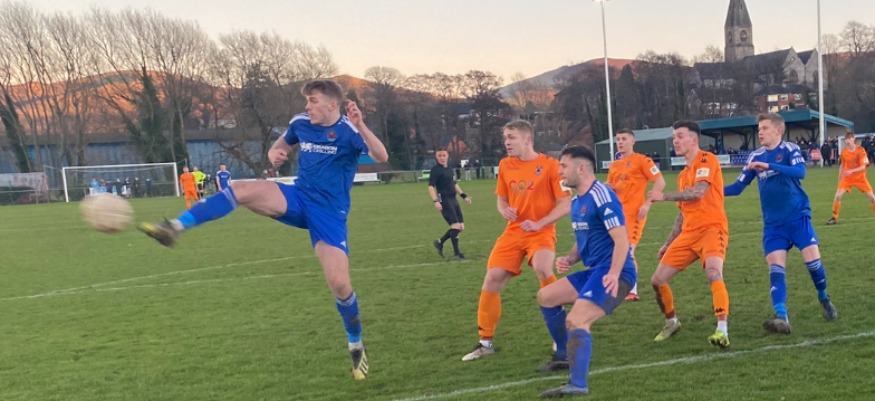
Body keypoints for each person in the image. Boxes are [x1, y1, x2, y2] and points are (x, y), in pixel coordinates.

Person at [138, 79, 388, 380]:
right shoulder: (301, 122)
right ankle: (174, 227)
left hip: (329, 214)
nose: (307, 106)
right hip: (298, 197)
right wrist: (274, 153)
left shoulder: (349, 131)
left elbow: (381, 156)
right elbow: (281, 144)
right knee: (240, 189)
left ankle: (356, 343)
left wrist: (361, 126)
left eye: (312, 100)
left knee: (340, 284)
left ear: (331, 105)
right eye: (307, 101)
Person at [461, 120, 571, 361]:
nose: (507, 143)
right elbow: (501, 199)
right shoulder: (505, 165)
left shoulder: (551, 166)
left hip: (541, 231)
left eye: (511, 138)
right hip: (514, 232)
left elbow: (566, 204)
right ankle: (485, 343)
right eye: (505, 138)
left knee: (543, 268)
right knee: (492, 277)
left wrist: (540, 223)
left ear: (527, 139)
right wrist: (505, 210)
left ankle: (562, 334)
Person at [537, 146, 636, 398]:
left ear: (581, 168)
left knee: (577, 320)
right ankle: (564, 354)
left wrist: (614, 274)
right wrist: (571, 258)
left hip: (616, 273)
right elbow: (586, 237)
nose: (559, 172)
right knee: (546, 296)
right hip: (595, 270)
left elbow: (622, 240)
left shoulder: (602, 196)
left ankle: (578, 385)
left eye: (563, 166)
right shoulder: (577, 200)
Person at [724, 113, 838, 334]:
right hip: (773, 225)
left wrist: (769, 166)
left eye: (765, 128)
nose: (760, 132)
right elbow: (737, 188)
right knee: (776, 269)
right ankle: (781, 316)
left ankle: (824, 298)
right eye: (759, 128)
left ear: (779, 130)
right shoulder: (755, 156)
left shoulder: (789, 149)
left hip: (797, 217)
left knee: (813, 265)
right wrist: (709, 191)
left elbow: (801, 172)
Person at [647, 120, 731, 349]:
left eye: (680, 136)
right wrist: (668, 243)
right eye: (674, 137)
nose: (675, 141)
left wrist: (663, 196)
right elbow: (683, 214)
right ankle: (671, 322)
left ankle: (722, 330)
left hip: (712, 229)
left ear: (694, 140)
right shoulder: (683, 174)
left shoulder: (707, 159)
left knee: (713, 273)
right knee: (657, 280)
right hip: (688, 234)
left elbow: (698, 192)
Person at [606, 129, 666, 301]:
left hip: (634, 214)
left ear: (633, 141)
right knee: (613, 251)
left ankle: (632, 290)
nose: (620, 142)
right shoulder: (615, 165)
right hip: (616, 214)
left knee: (628, 251)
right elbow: (611, 185)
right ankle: (615, 285)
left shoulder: (642, 161)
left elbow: (660, 181)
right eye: (618, 139)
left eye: (624, 139)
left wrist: (647, 204)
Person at [428, 149, 472, 260]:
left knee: (461, 227)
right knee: (455, 226)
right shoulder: (435, 170)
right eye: (439, 156)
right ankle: (457, 254)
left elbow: (454, 184)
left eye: (444, 155)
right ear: (436, 157)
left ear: (447, 156)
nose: (442, 158)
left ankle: (440, 242)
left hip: (453, 199)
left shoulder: (450, 169)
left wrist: (464, 196)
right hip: (444, 200)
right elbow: (431, 186)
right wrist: (435, 201)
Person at [827, 131, 875, 225]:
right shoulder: (844, 152)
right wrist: (840, 178)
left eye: (849, 138)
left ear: (854, 139)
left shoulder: (860, 150)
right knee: (837, 196)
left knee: (872, 198)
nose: (848, 141)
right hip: (847, 178)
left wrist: (851, 171)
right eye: (846, 139)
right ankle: (834, 217)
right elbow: (842, 165)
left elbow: (863, 167)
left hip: (860, 178)